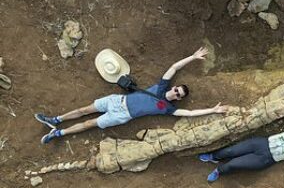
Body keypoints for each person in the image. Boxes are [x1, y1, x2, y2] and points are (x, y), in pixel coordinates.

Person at [35, 47, 229, 144]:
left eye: (178, 94)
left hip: (122, 116)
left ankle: (58, 133)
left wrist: (213, 110)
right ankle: (55, 119)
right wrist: (193, 58)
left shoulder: (169, 109)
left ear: (178, 98)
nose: (175, 92)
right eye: (177, 89)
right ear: (175, 87)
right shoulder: (162, 86)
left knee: (89, 124)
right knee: (83, 109)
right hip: (117, 100)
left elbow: (189, 113)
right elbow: (174, 67)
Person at [199, 116, 284, 182]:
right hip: (261, 143)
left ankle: (219, 171)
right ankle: (213, 157)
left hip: (265, 159)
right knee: (231, 151)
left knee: (234, 164)